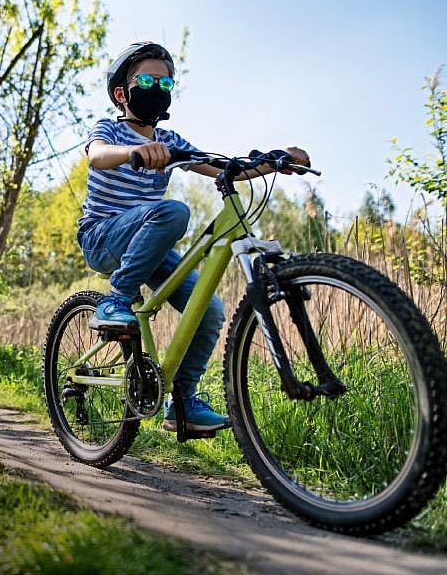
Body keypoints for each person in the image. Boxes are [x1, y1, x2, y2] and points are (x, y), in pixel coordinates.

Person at [77, 41, 311, 433]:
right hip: (102, 238)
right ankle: (115, 301)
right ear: (122, 93)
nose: (158, 87)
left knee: (211, 311)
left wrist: (272, 161)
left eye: (166, 82)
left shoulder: (172, 142)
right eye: (147, 79)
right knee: (174, 211)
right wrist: (134, 151)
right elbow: (97, 155)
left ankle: (181, 401)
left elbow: (223, 167)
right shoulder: (110, 129)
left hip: (148, 242)